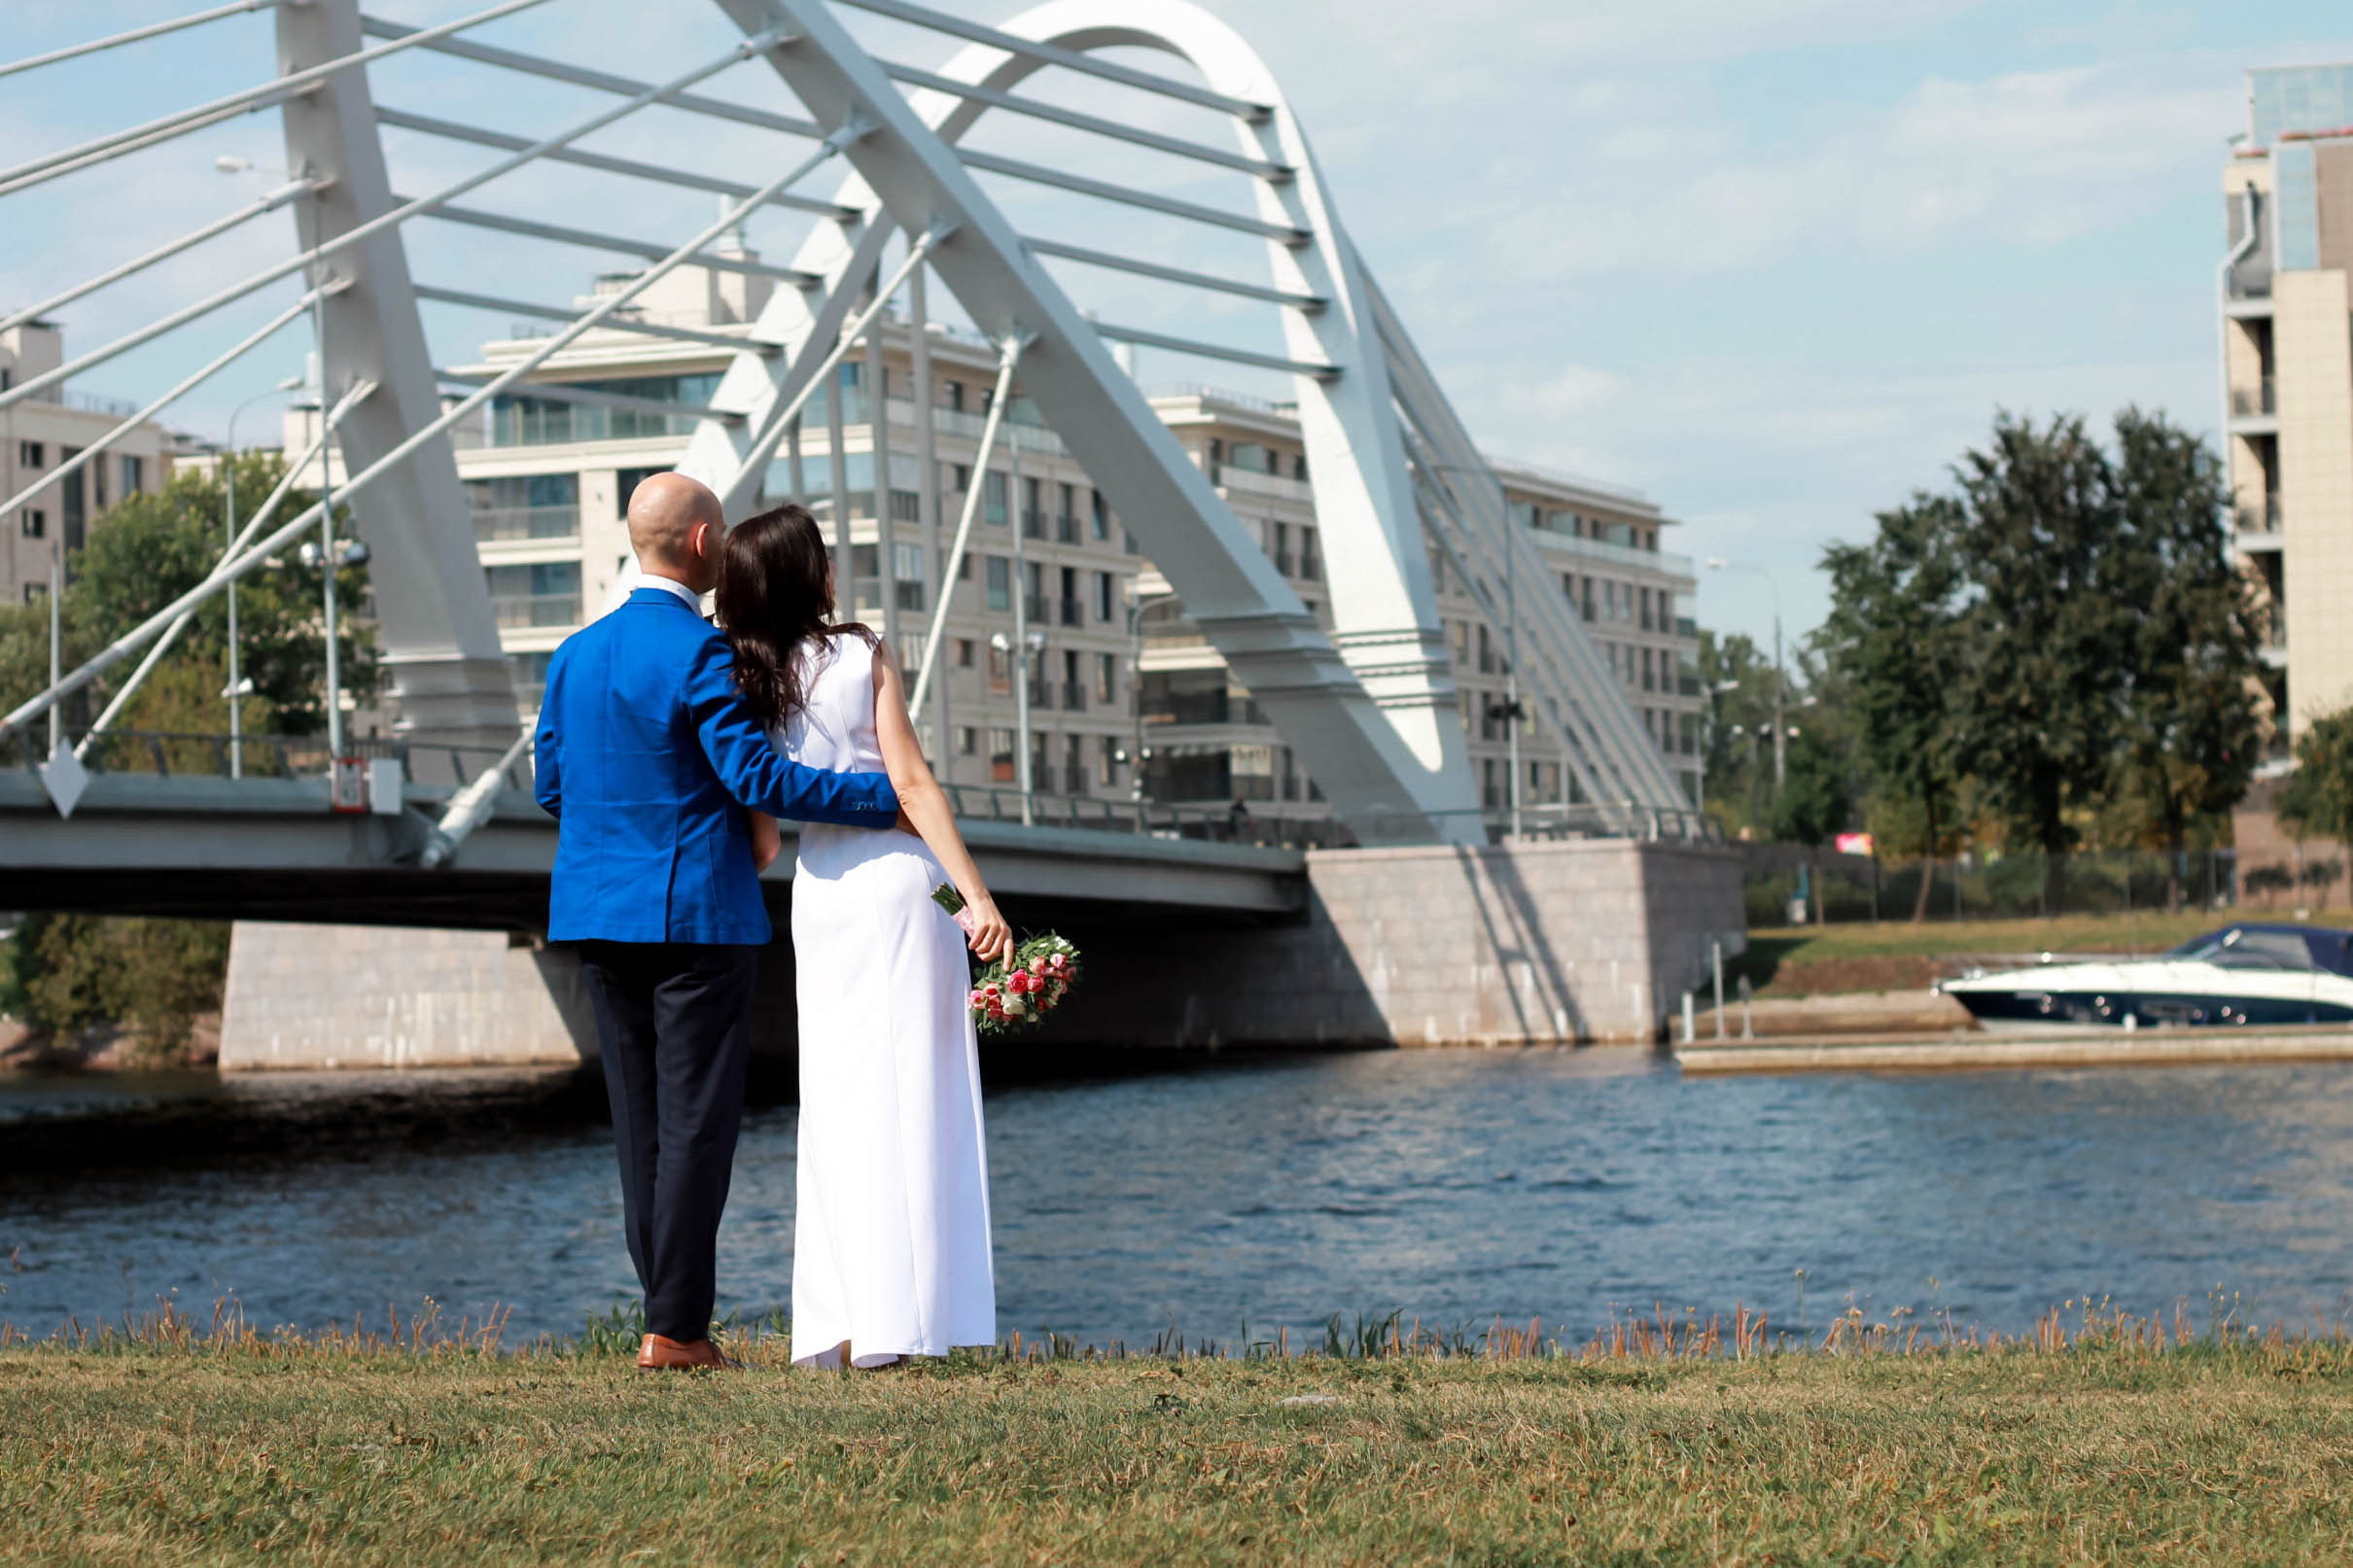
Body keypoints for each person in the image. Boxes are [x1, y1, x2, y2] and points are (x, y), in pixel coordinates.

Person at [533, 473, 901, 1374]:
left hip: (596, 913)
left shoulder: (573, 654)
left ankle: (667, 1319)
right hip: (697, 917)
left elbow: (551, 784)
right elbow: (758, 780)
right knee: (697, 1124)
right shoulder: (702, 655)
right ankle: (678, 1331)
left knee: (641, 1128)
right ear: (703, 545)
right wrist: (883, 796)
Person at [717, 504, 1013, 1371]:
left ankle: (845, 1325)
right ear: (810, 575)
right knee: (919, 1092)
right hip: (894, 882)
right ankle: (917, 1321)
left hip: (821, 895)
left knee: (841, 1101)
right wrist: (979, 896)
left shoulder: (744, 674)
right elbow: (913, 782)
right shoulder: (859, 650)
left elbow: (764, 832)